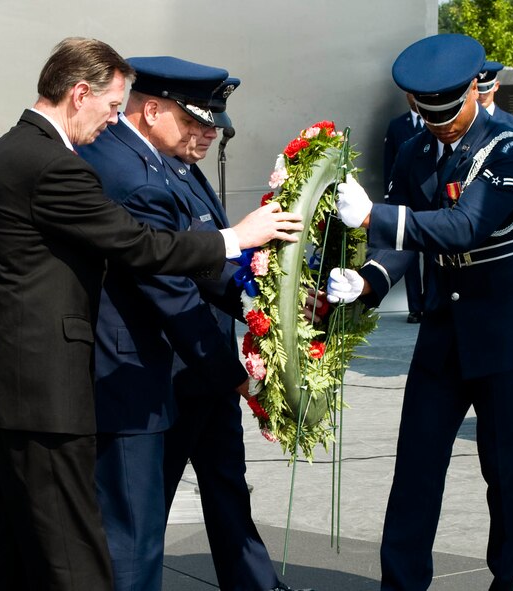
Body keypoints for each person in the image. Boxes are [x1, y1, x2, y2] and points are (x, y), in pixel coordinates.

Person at [0, 38, 302, 591]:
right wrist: (237, 238)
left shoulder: (9, 151)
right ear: (80, 93)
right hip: (46, 389)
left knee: (5, 541)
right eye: (113, 106)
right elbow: (141, 248)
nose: (115, 119)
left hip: (10, 380)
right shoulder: (55, 165)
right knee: (80, 555)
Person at [328, 34, 513, 590]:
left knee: (507, 471)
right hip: (445, 327)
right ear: (415, 104)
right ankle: (402, 583)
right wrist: (369, 279)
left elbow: (466, 225)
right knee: (416, 464)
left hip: (509, 327)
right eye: (429, 114)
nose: (442, 125)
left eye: (452, 111)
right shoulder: (416, 150)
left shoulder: (511, 147)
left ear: (474, 90)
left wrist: (376, 218)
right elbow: (405, 238)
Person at [160, 79, 308, 591]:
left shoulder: (186, 171)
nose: (207, 135)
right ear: (154, 110)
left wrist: (271, 306)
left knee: (226, 485)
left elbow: (217, 269)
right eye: (196, 123)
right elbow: (174, 282)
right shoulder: (149, 179)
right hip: (177, 367)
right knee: (149, 500)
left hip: (212, 364)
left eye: (213, 126)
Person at [383, 93, 424, 323]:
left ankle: (430, 302)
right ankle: (415, 307)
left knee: (432, 255)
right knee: (408, 255)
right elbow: (389, 164)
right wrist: (390, 198)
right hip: (405, 200)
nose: (414, 98)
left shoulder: (434, 124)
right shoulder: (397, 126)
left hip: (427, 200)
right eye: (411, 94)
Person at [477, 60, 513, 133]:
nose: (481, 95)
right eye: (479, 90)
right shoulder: (461, 123)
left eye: (486, 91)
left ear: (496, 86)